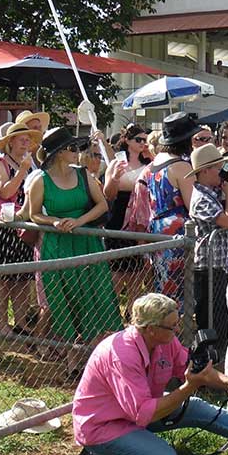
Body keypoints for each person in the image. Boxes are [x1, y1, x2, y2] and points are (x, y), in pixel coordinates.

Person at [74, 293, 228, 455]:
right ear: (151, 329)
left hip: (135, 413)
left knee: (196, 407)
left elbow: (198, 371)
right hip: (103, 426)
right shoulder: (122, 355)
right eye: (172, 326)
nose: (177, 330)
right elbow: (144, 414)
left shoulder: (165, 340)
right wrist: (189, 387)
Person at [27, 128, 122, 368]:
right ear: (59, 152)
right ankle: (72, 358)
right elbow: (34, 214)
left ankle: (98, 358)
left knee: (94, 296)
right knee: (64, 299)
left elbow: (102, 205)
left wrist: (79, 222)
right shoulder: (40, 180)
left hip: (86, 243)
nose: (77, 152)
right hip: (57, 245)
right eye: (72, 148)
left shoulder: (83, 174)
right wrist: (54, 221)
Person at [0, 121, 42, 337]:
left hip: (26, 225)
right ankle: (2, 322)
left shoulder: (29, 164)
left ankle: (20, 320)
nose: (26, 143)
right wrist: (23, 171)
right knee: (3, 277)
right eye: (22, 139)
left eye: (28, 140)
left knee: (23, 276)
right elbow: (5, 191)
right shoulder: (0, 162)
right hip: (5, 226)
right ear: (10, 142)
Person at [146, 113, 198, 299]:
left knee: (163, 282)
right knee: (180, 286)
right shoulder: (181, 166)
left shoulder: (155, 162)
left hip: (157, 227)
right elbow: (194, 205)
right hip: (178, 230)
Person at [187, 143, 228, 338]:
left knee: (223, 314)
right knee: (211, 317)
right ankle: (208, 351)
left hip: (221, 265)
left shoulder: (213, 193)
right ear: (205, 171)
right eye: (219, 168)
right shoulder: (201, 198)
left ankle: (221, 348)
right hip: (208, 267)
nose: (223, 173)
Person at [103, 124, 153, 317]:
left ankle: (132, 315)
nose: (142, 143)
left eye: (145, 140)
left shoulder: (149, 162)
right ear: (127, 140)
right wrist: (115, 178)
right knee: (115, 273)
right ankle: (109, 315)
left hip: (140, 219)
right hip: (119, 217)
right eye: (138, 139)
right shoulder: (117, 163)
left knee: (137, 273)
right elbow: (108, 194)